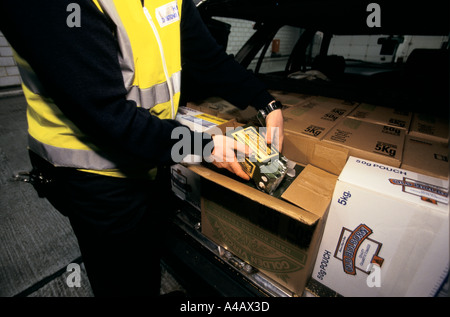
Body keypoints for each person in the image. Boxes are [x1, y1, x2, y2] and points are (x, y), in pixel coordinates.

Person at [0, 0, 284, 296]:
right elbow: (105, 115)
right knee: (121, 279)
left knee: (147, 260)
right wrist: (203, 146)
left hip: (152, 156)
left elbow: (206, 57)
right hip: (95, 177)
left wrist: (264, 101)